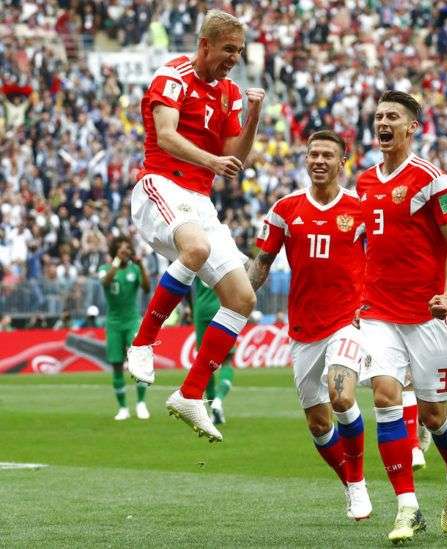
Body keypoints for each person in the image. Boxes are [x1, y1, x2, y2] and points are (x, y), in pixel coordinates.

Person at [125, 9, 265, 442]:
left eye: (239, 52)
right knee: (197, 249)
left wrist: (254, 114)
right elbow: (165, 136)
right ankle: (143, 343)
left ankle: (190, 393)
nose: (234, 59)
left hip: (198, 202)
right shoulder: (173, 75)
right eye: (228, 49)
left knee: (243, 298)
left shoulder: (231, 94)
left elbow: (234, 159)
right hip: (160, 186)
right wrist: (210, 161)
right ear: (205, 45)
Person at [356, 90, 447, 543]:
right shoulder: (364, 181)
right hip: (379, 312)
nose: (383, 122)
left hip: (427, 314)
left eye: (393, 117)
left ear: (412, 127)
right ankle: (407, 507)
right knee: (385, 397)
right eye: (379, 116)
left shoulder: (431, 180)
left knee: (434, 413)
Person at [251, 130, 372, 521]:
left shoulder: (360, 208)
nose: (319, 160)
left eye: (327, 155)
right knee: (319, 424)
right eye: (313, 154)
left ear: (343, 162)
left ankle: (358, 485)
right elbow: (261, 264)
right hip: (304, 329)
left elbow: (384, 257)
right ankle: (352, 483)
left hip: (348, 321)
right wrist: (237, 298)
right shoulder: (285, 209)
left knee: (340, 397)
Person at [98, 236, 151, 421]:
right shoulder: (105, 269)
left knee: (139, 362)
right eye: (121, 249)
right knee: (117, 365)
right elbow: (105, 282)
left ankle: (141, 403)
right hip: (113, 324)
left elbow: (146, 288)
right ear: (115, 251)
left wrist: (142, 265)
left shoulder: (135, 269)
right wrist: (116, 261)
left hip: (132, 322)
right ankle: (123, 408)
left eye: (127, 248)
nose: (125, 251)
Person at [191, 280, 235, 425]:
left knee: (205, 362)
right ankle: (218, 399)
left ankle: (213, 409)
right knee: (227, 359)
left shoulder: (198, 256)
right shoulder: (230, 256)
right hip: (222, 307)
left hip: (201, 308)